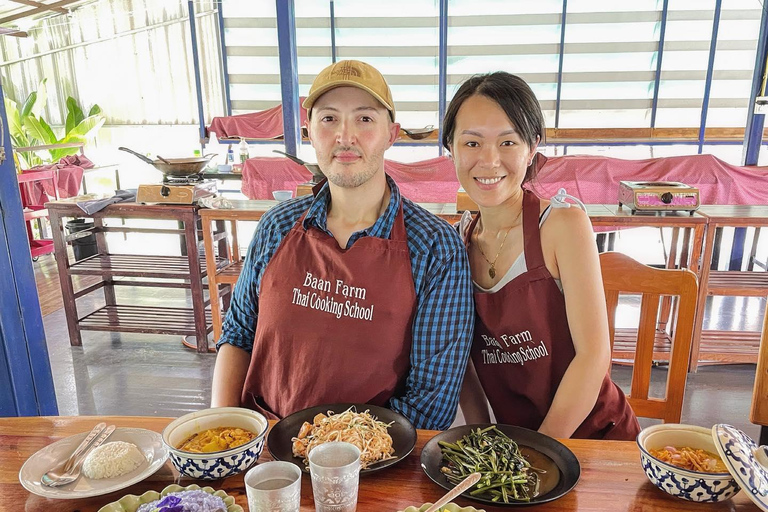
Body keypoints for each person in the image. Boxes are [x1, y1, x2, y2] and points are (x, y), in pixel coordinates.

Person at [211, 60, 474, 430]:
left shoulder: (434, 247)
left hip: (376, 461)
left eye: (364, 119)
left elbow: (432, 402)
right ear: (309, 132)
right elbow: (237, 335)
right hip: (264, 453)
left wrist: (328, 452)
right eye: (329, 119)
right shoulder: (277, 226)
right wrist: (221, 432)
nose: (345, 136)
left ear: (391, 134)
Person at [444, 72, 640, 440]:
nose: (488, 161)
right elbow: (463, 365)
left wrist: (538, 453)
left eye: (507, 142)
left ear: (531, 147)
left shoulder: (564, 225)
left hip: (596, 441)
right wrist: (482, 438)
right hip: (514, 448)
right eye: (471, 143)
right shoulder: (456, 244)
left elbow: (593, 357)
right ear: (451, 148)